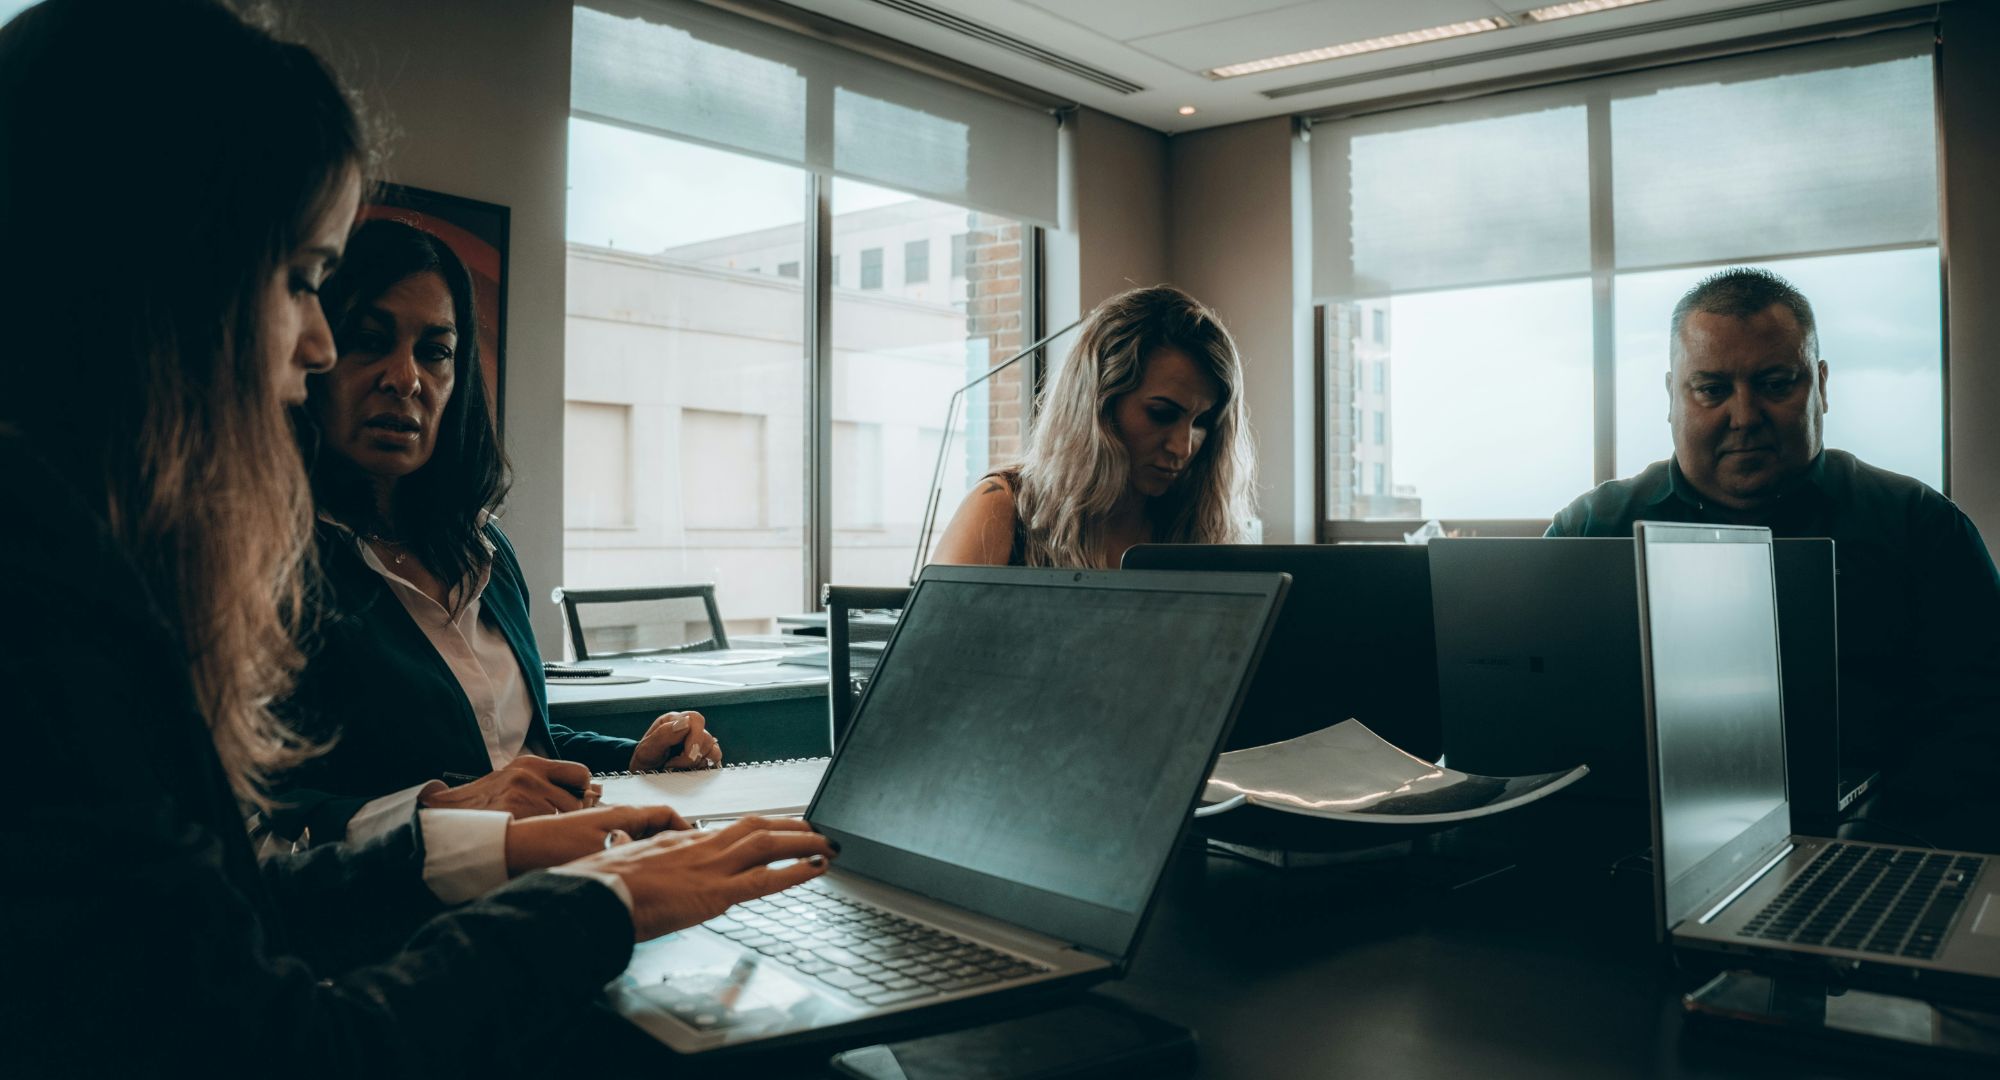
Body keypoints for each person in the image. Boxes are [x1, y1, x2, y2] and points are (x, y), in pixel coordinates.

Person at [0, 1, 831, 1073]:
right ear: (162, 273)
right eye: (304, 283)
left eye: (435, 352)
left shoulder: (80, 550)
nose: (313, 348)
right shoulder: (49, 591)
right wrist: (593, 904)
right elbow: (267, 1041)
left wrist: (514, 840)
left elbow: (226, 911)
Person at [268, 219, 718, 845]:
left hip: (550, 880)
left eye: (435, 351)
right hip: (398, 915)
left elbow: (516, 750)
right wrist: (444, 810)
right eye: (368, 341)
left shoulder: (484, 546)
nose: (407, 378)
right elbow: (263, 817)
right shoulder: (267, 565)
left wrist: (635, 760)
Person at [1545, 267, 2000, 848]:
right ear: (1671, 397)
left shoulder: (1921, 527)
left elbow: (1984, 730)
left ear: (1822, 385)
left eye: (1776, 383)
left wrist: (1874, 836)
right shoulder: (1591, 528)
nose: (1744, 415)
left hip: (1867, 850)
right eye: (1711, 389)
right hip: (1619, 849)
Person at [931, 285, 1255, 569]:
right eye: (1161, 413)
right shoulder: (1003, 507)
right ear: (1098, 403)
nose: (1182, 448)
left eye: (1202, 423)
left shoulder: (1193, 526)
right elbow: (937, 638)